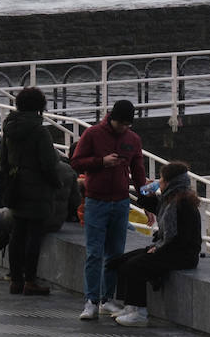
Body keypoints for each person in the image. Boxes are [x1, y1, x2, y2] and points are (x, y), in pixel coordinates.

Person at [69, 98, 146, 320]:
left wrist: (145, 201)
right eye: (120, 123)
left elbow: (138, 172)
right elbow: (75, 162)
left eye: (127, 124)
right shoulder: (93, 134)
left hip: (121, 202)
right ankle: (91, 301)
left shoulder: (133, 139)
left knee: (115, 254)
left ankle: (106, 299)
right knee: (94, 253)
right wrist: (101, 161)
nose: (123, 128)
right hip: (96, 201)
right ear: (111, 118)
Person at [107, 160, 203, 328]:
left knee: (135, 265)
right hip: (167, 248)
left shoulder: (183, 204)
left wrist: (157, 250)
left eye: (162, 179)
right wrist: (147, 195)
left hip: (183, 255)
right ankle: (130, 306)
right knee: (121, 262)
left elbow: (182, 240)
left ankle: (140, 313)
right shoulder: (170, 199)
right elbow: (153, 206)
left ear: (170, 182)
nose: (159, 182)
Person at [0, 86, 61, 296]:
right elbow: (48, 163)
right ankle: (30, 281)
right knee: (34, 234)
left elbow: (2, 159)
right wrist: (57, 184)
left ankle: (15, 280)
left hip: (15, 185)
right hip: (37, 188)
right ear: (39, 107)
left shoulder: (9, 127)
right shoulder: (39, 131)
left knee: (17, 233)